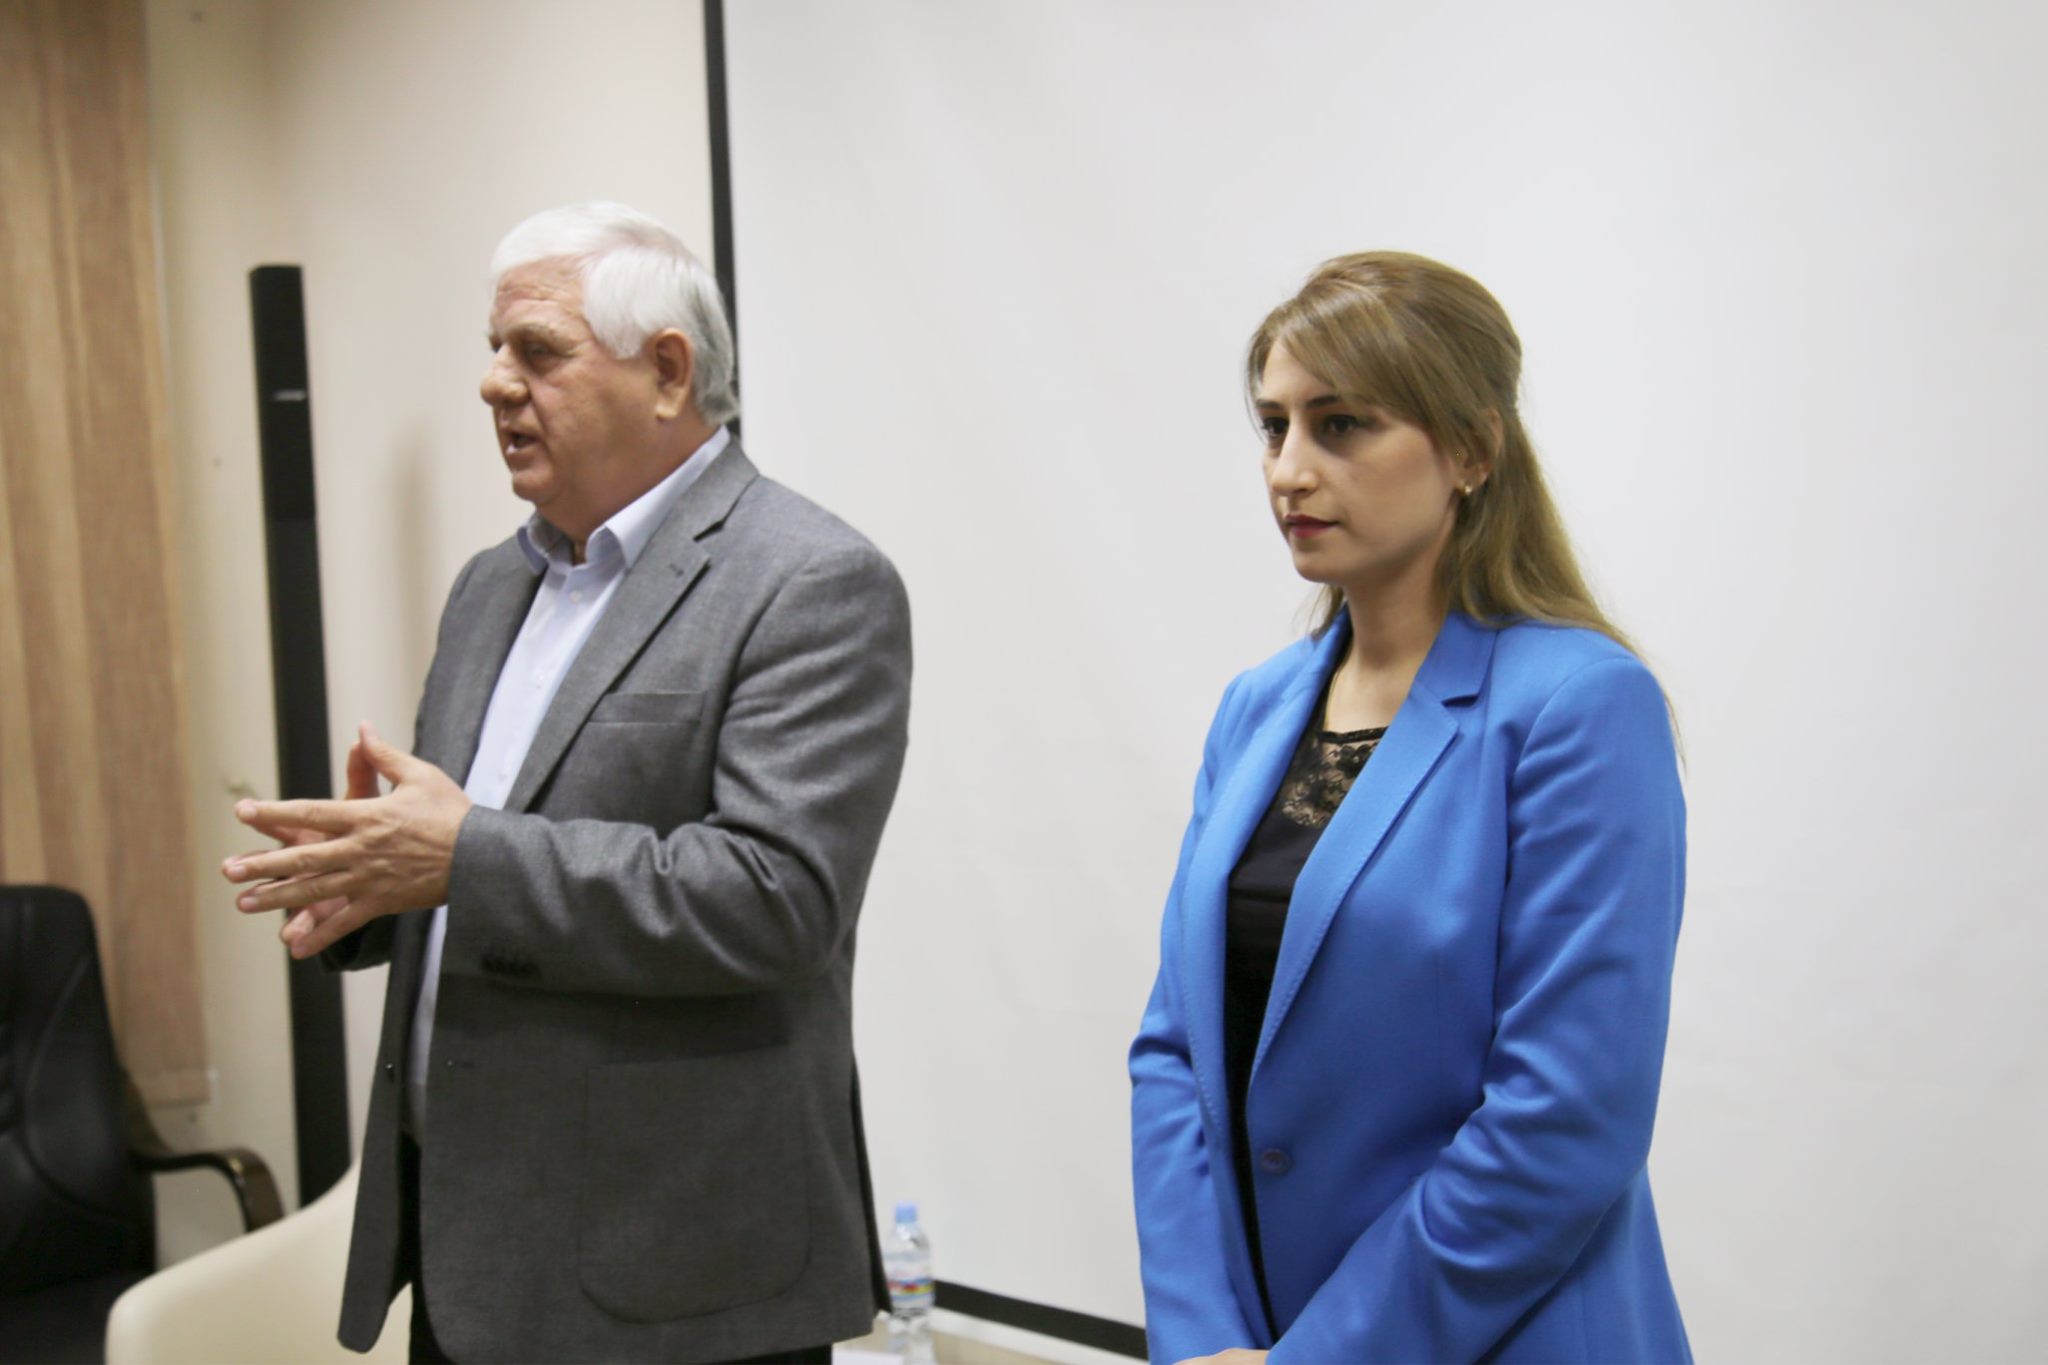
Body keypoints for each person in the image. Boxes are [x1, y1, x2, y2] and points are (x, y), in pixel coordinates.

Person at [223, 202, 911, 1363]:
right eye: (493, 349)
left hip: (673, 1282)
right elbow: (469, 863)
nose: (494, 383)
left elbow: (777, 898)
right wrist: (373, 880)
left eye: (536, 352)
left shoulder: (809, 581)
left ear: (668, 372)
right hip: (471, 1251)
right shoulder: (491, 586)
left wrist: (459, 855)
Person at [1129, 252, 1690, 1364]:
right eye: (1273, 427)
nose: (1289, 470)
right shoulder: (1256, 709)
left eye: (1341, 425)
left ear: (1473, 449)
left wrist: (1324, 1357)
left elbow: (1564, 1120)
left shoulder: (1578, 705)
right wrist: (1198, 1339)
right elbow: (1173, 1051)